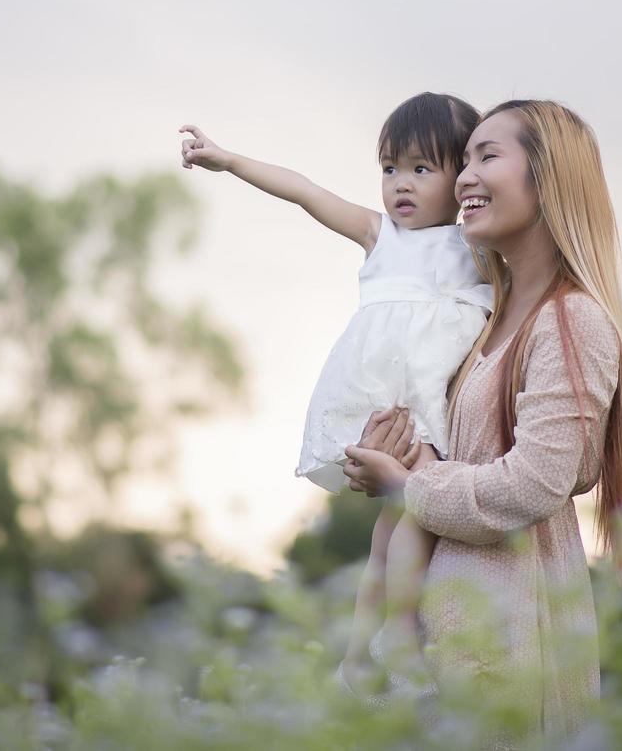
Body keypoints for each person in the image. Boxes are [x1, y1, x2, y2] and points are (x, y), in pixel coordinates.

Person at [342, 99, 622, 739]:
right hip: (444, 644)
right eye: (464, 160)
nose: (464, 177)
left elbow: (530, 485)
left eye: (486, 157)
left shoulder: (571, 321)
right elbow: (455, 467)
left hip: (509, 645)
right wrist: (394, 455)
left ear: (547, 180)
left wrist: (407, 487)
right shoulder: (482, 324)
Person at [178, 93, 492, 697]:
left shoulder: (474, 248)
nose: (401, 184)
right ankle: (396, 631)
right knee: (416, 509)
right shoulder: (381, 237)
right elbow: (303, 191)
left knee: (393, 524)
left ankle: (358, 653)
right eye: (390, 168)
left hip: (427, 395)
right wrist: (229, 159)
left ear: (461, 178)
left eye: (422, 169)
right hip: (390, 399)